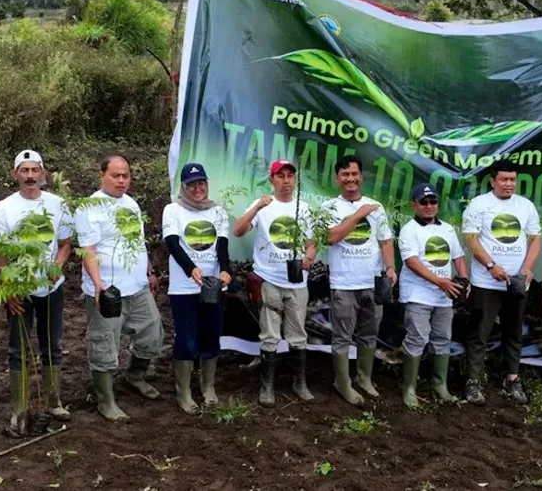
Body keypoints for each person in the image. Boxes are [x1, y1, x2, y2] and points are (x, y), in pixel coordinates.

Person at [74, 154, 162, 421]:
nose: (122, 180)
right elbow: (87, 249)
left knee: (152, 332)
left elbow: (137, 241)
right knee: (104, 344)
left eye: (126, 175)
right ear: (102, 175)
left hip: (137, 287)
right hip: (107, 291)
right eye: (116, 175)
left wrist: (149, 271)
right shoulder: (88, 207)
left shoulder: (132, 204)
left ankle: (134, 376)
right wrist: (99, 285)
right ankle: (106, 400)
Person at [0, 150, 73, 436]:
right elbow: (0, 252)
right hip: (20, 288)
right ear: (15, 174)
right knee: (18, 348)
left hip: (51, 288)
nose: (29, 176)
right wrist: (8, 287)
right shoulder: (3, 208)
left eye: (34, 170)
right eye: (23, 171)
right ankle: (19, 407)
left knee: (51, 343)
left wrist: (56, 267)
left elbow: (65, 243)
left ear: (42, 173)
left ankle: (53, 400)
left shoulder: (58, 205)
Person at [232, 159, 317, 406]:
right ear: (272, 180)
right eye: (281, 176)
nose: (286, 180)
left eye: (290, 176)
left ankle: (299, 382)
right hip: (269, 280)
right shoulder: (264, 206)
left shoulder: (306, 208)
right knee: (269, 334)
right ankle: (267, 386)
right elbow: (238, 231)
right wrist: (257, 206)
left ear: (295, 180)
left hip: (297, 282)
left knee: (298, 334)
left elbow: (312, 242)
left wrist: (309, 257)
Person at [462, 160, 542, 405]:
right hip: (486, 283)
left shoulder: (525, 206)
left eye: (512, 180)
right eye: (504, 180)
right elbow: (471, 240)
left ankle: (512, 380)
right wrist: (490, 266)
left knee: (514, 332)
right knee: (479, 333)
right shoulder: (479, 205)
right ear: (493, 181)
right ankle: (473, 383)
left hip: (517, 284)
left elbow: (536, 238)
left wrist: (527, 269)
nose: (509, 184)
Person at [321, 155, 396, 405]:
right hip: (343, 283)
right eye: (345, 175)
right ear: (337, 179)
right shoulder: (329, 207)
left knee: (369, 333)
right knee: (342, 335)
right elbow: (330, 237)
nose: (350, 179)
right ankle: (342, 382)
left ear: (361, 177)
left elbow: (385, 241)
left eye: (354, 174)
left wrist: (390, 268)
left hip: (372, 282)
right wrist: (357, 215)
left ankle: (364, 378)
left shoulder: (376, 207)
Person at [162, 162, 232, 414]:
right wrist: (191, 269)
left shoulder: (218, 211)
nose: (197, 188)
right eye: (191, 184)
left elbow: (222, 246)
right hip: (183, 289)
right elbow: (172, 244)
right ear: (183, 187)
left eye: (201, 183)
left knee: (211, 335)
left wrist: (225, 270)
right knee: (187, 339)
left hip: (212, 287)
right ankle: (184, 392)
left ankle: (208, 387)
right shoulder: (173, 210)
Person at [397, 182, 467, 408]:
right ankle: (409, 388)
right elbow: (412, 262)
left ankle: (440, 385)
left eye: (433, 201)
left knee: (442, 339)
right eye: (423, 202)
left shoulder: (447, 229)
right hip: (418, 295)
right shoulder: (409, 230)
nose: (429, 206)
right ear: (414, 205)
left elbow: (458, 257)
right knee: (417, 339)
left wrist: (463, 281)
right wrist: (439, 282)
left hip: (444, 297)